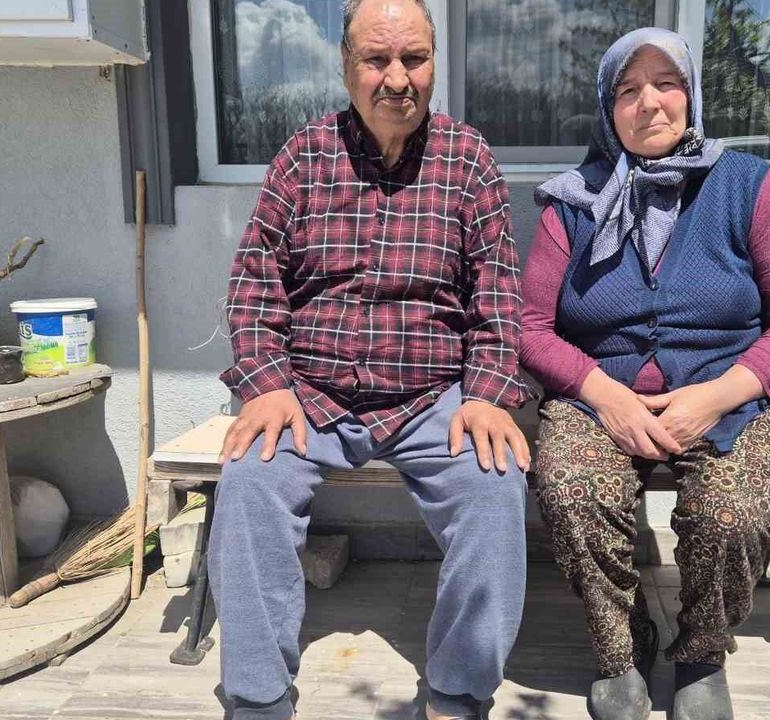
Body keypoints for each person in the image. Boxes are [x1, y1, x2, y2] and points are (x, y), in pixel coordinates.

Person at [211, 1, 530, 718]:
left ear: (434, 63)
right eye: (376, 60)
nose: (397, 78)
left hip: (430, 400)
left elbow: (497, 290)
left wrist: (486, 394)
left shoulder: (468, 160)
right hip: (310, 396)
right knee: (248, 485)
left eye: (414, 58)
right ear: (346, 66)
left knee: (494, 487)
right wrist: (265, 384)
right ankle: (257, 702)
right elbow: (255, 280)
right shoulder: (304, 156)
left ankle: (457, 694)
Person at [520, 27, 770, 720]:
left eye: (666, 84)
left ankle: (702, 652)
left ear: (691, 96)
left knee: (730, 512)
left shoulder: (745, 185)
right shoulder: (573, 201)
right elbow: (530, 328)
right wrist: (607, 397)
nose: (649, 103)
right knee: (569, 489)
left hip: (732, 396)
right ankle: (621, 647)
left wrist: (715, 397)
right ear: (608, 108)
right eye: (628, 90)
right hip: (600, 397)